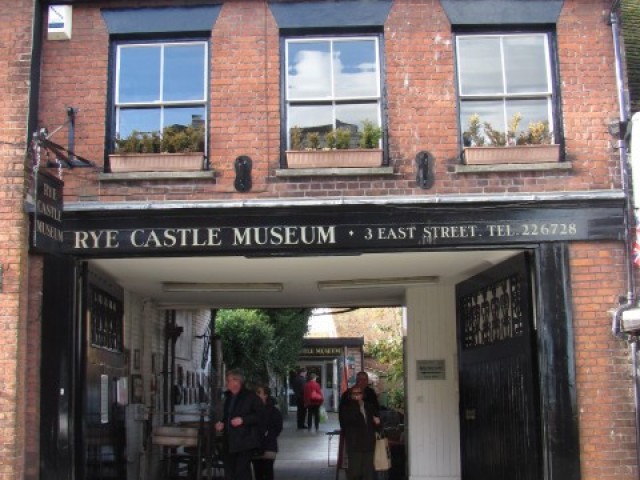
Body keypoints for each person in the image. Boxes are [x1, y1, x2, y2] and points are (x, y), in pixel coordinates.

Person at [215, 369, 264, 480]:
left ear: (237, 382)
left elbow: (261, 416)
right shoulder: (228, 397)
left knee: (241, 472)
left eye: (228, 380)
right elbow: (228, 417)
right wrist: (221, 424)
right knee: (229, 472)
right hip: (229, 441)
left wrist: (243, 420)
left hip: (245, 442)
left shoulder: (250, 396)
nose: (226, 383)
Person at [339, 386, 381, 480]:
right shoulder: (346, 408)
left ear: (363, 395)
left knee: (369, 473)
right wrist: (355, 405)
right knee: (355, 472)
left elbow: (378, 424)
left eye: (359, 393)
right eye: (354, 393)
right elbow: (346, 423)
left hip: (369, 443)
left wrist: (377, 423)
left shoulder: (369, 406)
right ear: (350, 396)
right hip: (355, 444)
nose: (357, 395)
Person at [251, 385, 284, 480]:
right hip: (255, 446)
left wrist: (270, 435)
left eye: (258, 392)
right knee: (258, 473)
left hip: (269, 446)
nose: (256, 395)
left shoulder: (274, 411)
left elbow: (278, 427)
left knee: (268, 471)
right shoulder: (251, 410)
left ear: (266, 395)